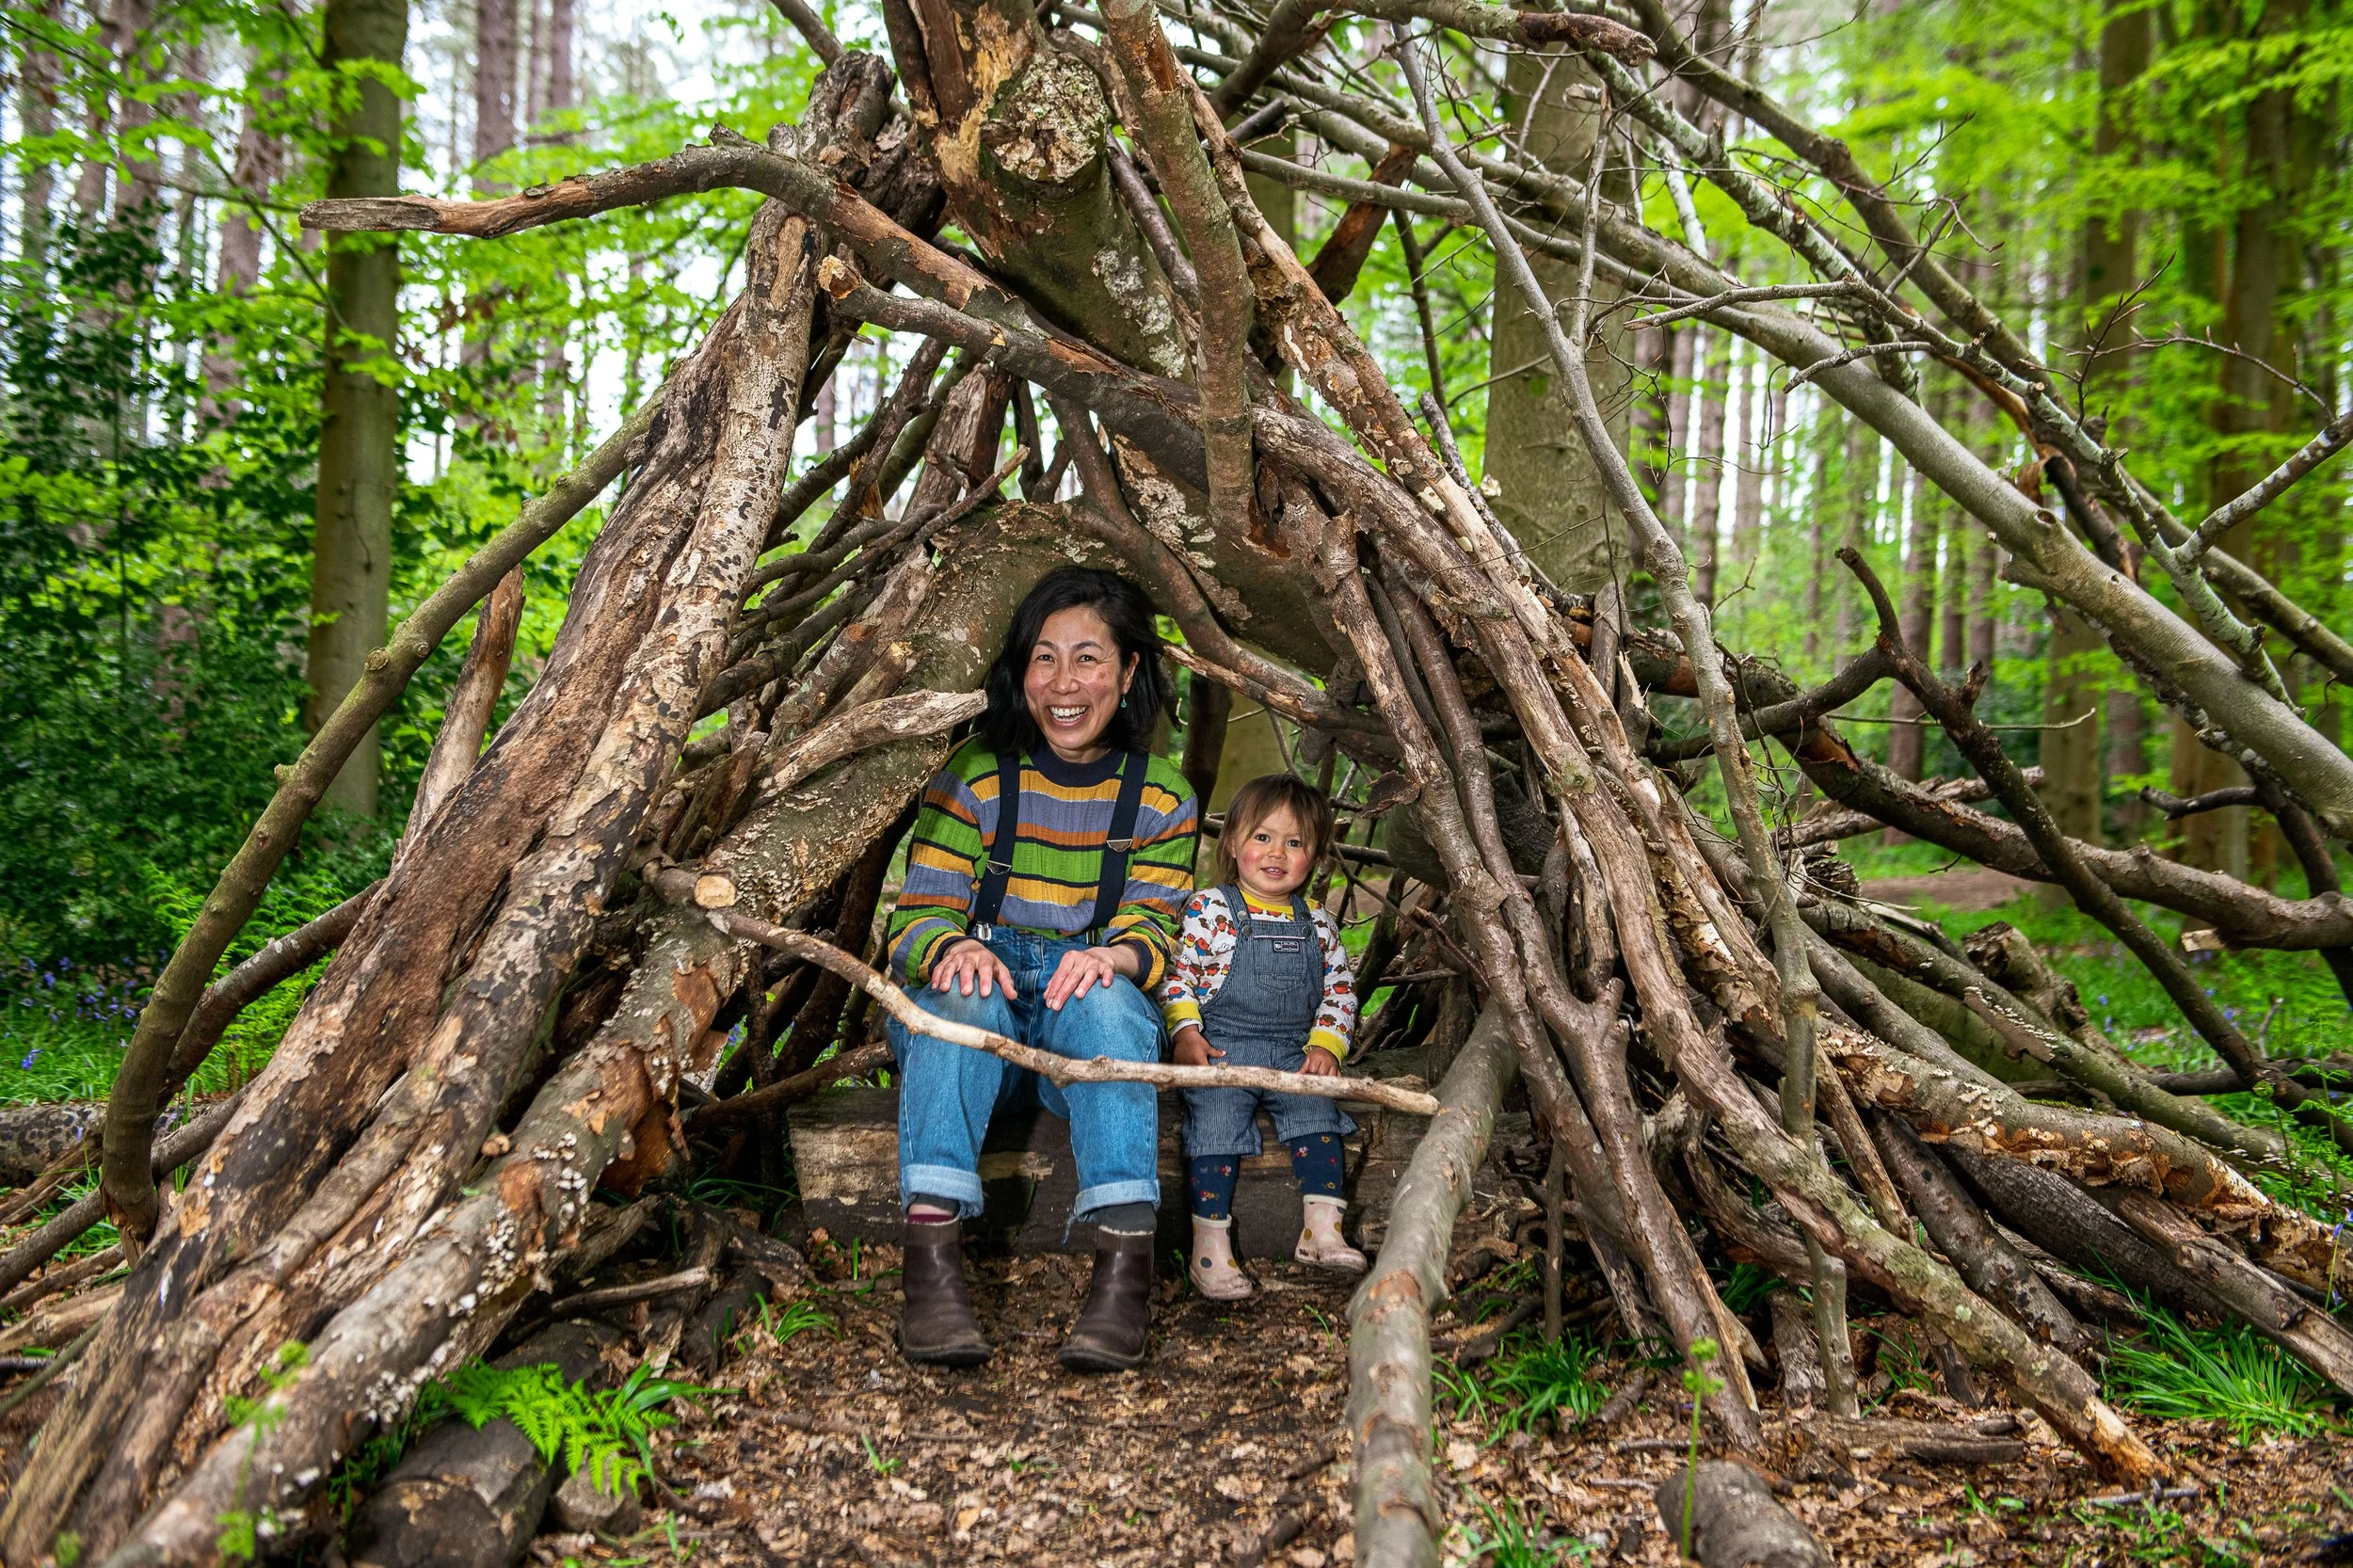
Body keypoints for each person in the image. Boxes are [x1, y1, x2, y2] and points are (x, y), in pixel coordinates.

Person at [882, 567, 1197, 1372]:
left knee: (1113, 1009)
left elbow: (1155, 929)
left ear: (1129, 674)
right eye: (1044, 659)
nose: (1064, 684)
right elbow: (915, 921)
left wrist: (1113, 955)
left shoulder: (1161, 798)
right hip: (971, 1017)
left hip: (1073, 1029)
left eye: (1088, 658)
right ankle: (932, 1276)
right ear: (1020, 670)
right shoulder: (979, 774)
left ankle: (1123, 1276)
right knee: (958, 998)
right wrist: (952, 945)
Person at [1163, 773, 1365, 1301]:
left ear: (1314, 855)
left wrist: (1326, 1045)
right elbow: (1179, 974)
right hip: (1222, 1048)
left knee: (1318, 1115)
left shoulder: (1318, 924)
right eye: (1262, 837)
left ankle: (1321, 1231)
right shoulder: (1210, 909)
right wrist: (1186, 1033)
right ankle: (1210, 1249)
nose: (1277, 852)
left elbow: (1340, 991)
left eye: (1294, 842)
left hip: (1293, 1052)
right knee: (1216, 1120)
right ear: (1232, 842)